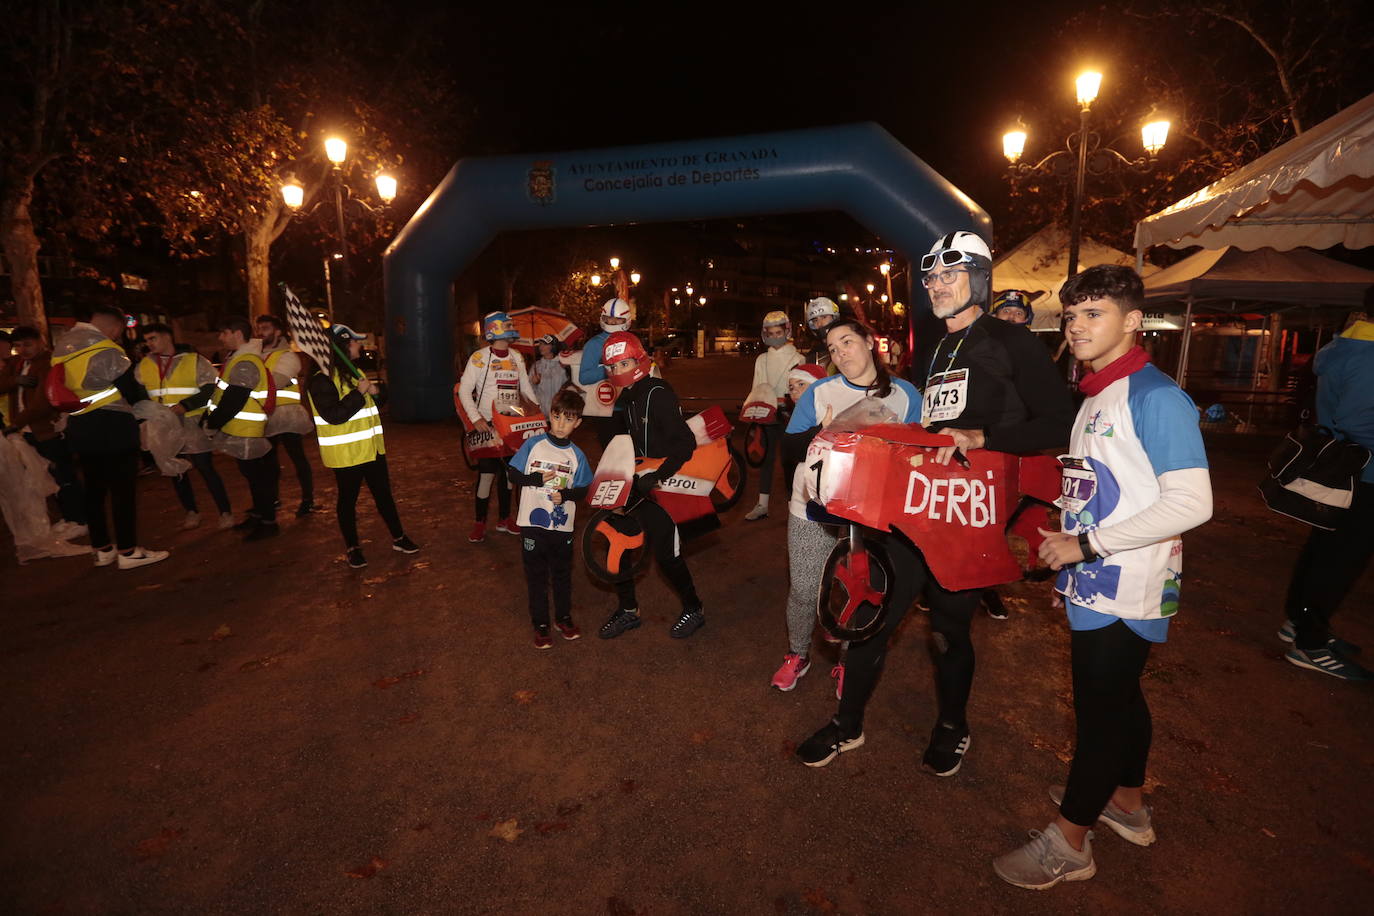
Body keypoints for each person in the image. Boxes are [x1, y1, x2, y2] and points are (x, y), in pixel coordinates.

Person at [796, 230, 1074, 773]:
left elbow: (1059, 421)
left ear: (978, 277)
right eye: (930, 276)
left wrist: (982, 437)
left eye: (949, 273)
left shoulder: (1012, 340)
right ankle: (846, 724)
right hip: (919, 503)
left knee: (948, 630)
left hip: (972, 513)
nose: (937, 284)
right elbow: (931, 425)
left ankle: (953, 726)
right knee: (872, 614)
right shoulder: (937, 346)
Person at [992, 264, 1212, 890]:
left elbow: (1194, 503)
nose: (1077, 325)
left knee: (1099, 714)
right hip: (1097, 579)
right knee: (1121, 697)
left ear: (1133, 320)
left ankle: (1070, 843)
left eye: (1094, 313)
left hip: (1127, 583)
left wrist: (1086, 543)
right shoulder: (1095, 392)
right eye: (1071, 314)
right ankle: (1128, 803)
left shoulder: (1155, 396)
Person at [771, 323, 921, 694]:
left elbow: (919, 452)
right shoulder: (821, 391)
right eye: (833, 348)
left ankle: (846, 663)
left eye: (848, 342)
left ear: (871, 343)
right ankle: (797, 654)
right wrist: (820, 433)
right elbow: (788, 451)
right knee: (805, 589)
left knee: (861, 590)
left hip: (870, 513)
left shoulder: (905, 394)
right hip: (813, 506)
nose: (840, 353)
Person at [1279, 305, 1374, 681]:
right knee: (1342, 560)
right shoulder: (1368, 355)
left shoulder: (1344, 346)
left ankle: (1299, 620)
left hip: (1347, 470)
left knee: (1325, 549)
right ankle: (1310, 642)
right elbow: (1356, 420)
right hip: (1364, 474)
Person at [596, 330, 706, 640]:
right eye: (613, 366)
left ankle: (693, 607)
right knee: (616, 543)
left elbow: (685, 444)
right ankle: (629, 610)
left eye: (623, 363)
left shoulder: (658, 393)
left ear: (639, 360)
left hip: (665, 485)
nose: (618, 371)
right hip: (639, 481)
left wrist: (657, 477)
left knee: (667, 555)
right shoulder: (629, 395)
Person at [50, 305, 168, 569]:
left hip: (80, 425)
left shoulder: (64, 348)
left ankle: (102, 548)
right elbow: (130, 390)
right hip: (113, 427)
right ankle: (128, 551)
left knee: (93, 490)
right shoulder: (109, 351)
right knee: (122, 492)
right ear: (115, 328)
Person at [307, 324, 419, 569]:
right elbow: (334, 415)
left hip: (371, 450)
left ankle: (399, 537)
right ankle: (353, 547)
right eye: (356, 341)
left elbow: (372, 404)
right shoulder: (321, 380)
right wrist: (359, 393)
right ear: (343, 346)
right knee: (348, 501)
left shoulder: (353, 371)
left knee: (384, 496)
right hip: (347, 456)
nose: (360, 345)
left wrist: (379, 392)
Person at [507, 387, 593, 648]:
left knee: (561, 574)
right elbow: (512, 474)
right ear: (549, 415)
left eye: (568, 420)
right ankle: (541, 623)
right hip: (532, 525)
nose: (561, 424)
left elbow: (584, 488)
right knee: (536, 575)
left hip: (562, 527)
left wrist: (566, 495)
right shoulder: (533, 445)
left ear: (577, 423)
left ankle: (563, 618)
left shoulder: (577, 455)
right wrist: (533, 478)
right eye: (557, 417)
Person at [135, 323, 233, 531]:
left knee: (206, 468)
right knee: (175, 470)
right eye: (146, 340)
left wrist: (185, 405)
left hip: (192, 423)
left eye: (153, 338)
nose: (149, 344)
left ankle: (225, 512)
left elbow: (211, 389)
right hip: (164, 426)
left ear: (167, 337)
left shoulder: (194, 360)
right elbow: (141, 395)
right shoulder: (144, 365)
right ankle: (191, 512)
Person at [457, 310, 538, 542]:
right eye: (506, 324)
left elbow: (525, 388)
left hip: (512, 424)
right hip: (488, 426)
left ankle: (505, 519)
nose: (510, 327)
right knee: (486, 475)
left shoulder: (516, 357)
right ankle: (480, 522)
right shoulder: (479, 358)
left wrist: (537, 411)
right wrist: (476, 419)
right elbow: (464, 390)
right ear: (494, 329)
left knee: (510, 475)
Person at [1, 326, 88, 534]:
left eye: (28, 344)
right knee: (48, 476)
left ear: (40, 341)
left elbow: (43, 402)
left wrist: (16, 423)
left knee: (63, 474)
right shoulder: (18, 364)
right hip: (29, 431)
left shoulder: (48, 363)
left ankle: (79, 520)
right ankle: (69, 517)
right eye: (18, 346)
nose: (23, 349)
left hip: (47, 429)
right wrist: (15, 380)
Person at [205, 315, 279, 541]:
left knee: (257, 478)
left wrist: (213, 422)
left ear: (237, 334)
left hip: (247, 430)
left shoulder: (245, 361)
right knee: (253, 477)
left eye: (224, 333)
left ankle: (267, 522)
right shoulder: (240, 358)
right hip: (242, 428)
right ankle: (259, 516)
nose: (220, 338)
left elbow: (235, 398)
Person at [744, 310, 802, 521]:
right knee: (766, 459)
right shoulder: (761, 359)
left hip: (790, 413)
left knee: (791, 461)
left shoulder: (799, 358)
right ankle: (762, 503)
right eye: (771, 332)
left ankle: (794, 507)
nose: (775, 336)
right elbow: (756, 387)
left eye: (779, 331)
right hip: (766, 411)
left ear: (787, 330)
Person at [256, 314, 316, 517]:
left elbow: (275, 382)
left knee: (297, 458)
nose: (260, 332)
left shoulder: (287, 356)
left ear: (278, 332)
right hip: (265, 415)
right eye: (259, 328)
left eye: (265, 328)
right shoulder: (256, 355)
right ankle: (273, 499)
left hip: (288, 415)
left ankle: (308, 499)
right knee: (269, 461)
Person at [578, 298, 635, 447]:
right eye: (609, 318)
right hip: (608, 408)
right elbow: (584, 377)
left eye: (617, 319)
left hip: (633, 405)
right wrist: (609, 367)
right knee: (612, 452)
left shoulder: (633, 341)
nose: (612, 322)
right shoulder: (594, 344)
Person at [530, 334, 568, 419]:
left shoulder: (563, 365)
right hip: (539, 414)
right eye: (540, 344)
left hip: (559, 413)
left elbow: (568, 388)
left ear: (553, 347)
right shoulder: (536, 366)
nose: (541, 347)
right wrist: (534, 383)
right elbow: (528, 391)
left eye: (545, 344)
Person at [799, 297, 841, 369]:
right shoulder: (814, 355)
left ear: (834, 318)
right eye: (815, 320)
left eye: (824, 317)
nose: (820, 324)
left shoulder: (848, 344)